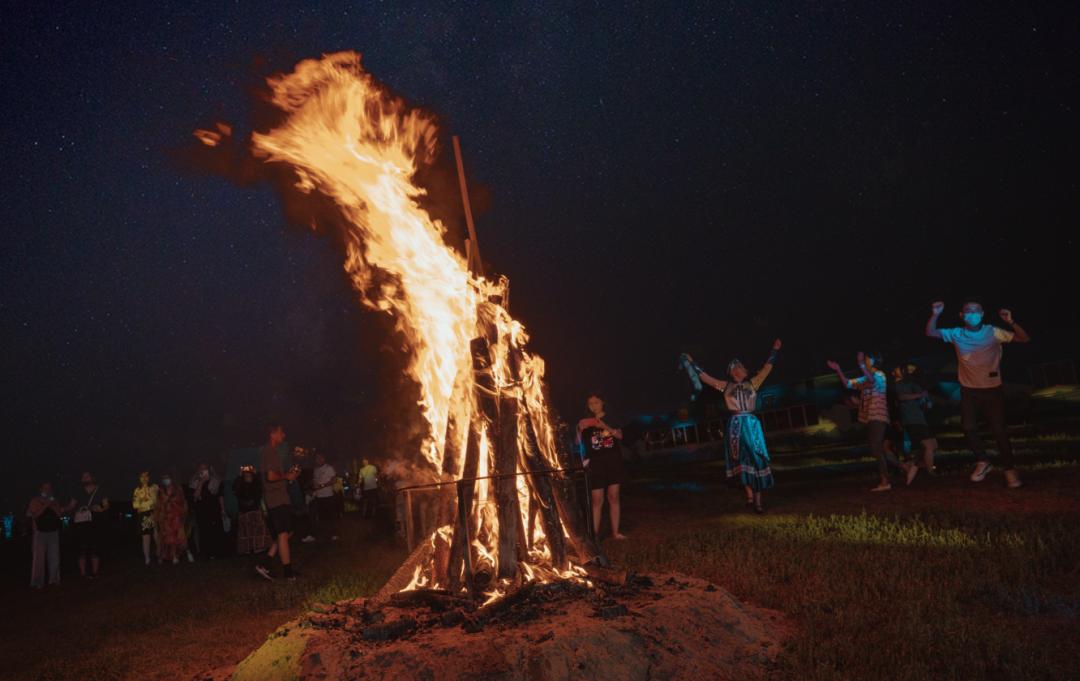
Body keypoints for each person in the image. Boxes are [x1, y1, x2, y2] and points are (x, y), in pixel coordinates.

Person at [926, 300, 1030, 488]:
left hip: (992, 390)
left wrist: (1011, 322)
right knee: (968, 428)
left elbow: (1024, 339)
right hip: (969, 390)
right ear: (961, 315)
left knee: (999, 431)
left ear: (982, 313)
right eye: (968, 311)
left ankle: (1010, 470)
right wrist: (935, 314)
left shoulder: (993, 332)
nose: (972, 313)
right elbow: (930, 332)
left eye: (975, 311)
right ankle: (983, 461)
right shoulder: (957, 333)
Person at [686, 339, 782, 513]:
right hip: (736, 426)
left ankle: (758, 503)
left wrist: (774, 351)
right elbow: (706, 378)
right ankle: (750, 497)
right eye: (738, 367)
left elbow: (767, 369)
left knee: (757, 458)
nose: (742, 368)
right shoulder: (726, 386)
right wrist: (692, 363)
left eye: (742, 366)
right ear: (733, 371)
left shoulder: (753, 383)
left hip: (751, 425)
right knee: (741, 458)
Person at [827, 352, 903, 492]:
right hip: (871, 418)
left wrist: (861, 364)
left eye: (868, 358)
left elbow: (872, 381)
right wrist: (838, 369)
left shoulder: (879, 375)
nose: (865, 360)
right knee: (878, 449)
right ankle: (902, 467)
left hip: (878, 416)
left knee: (876, 447)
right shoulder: (865, 378)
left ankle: (886, 480)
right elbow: (848, 383)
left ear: (874, 361)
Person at [576, 393, 627, 540]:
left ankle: (616, 532)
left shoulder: (611, 417)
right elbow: (578, 443)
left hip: (613, 460)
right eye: (590, 403)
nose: (593, 406)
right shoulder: (586, 421)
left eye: (596, 402)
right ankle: (594, 535)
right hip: (595, 462)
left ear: (603, 402)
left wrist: (604, 426)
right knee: (597, 499)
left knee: (613, 496)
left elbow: (620, 436)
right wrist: (579, 429)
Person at [257, 422, 301, 580]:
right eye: (281, 432)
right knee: (283, 533)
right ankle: (288, 573)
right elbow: (270, 477)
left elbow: (275, 476)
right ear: (273, 434)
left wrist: (289, 476)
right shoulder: (268, 451)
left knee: (287, 532)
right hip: (275, 499)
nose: (284, 435)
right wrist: (286, 476)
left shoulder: (273, 452)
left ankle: (265, 563)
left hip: (281, 497)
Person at [892, 363, 938, 484]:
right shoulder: (900, 384)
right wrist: (920, 395)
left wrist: (926, 402)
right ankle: (930, 473)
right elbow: (901, 397)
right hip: (912, 419)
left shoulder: (914, 384)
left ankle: (913, 468)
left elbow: (925, 403)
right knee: (929, 446)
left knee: (931, 445)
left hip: (918, 419)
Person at [70, 472, 109, 579]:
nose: (85, 478)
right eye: (83, 477)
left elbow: (106, 505)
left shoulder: (100, 490)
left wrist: (101, 509)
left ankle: (95, 573)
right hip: (81, 523)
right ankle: (83, 573)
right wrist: (63, 509)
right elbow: (71, 505)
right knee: (82, 548)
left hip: (95, 522)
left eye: (87, 476)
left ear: (92, 478)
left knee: (94, 548)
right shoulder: (78, 491)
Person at [27, 482, 64, 589]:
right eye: (45, 488)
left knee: (54, 556)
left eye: (49, 488)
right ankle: (37, 582)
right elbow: (35, 515)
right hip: (39, 532)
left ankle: (54, 579)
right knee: (38, 558)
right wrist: (45, 505)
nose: (47, 490)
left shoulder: (54, 501)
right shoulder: (34, 501)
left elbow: (59, 514)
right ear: (40, 489)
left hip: (53, 531)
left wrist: (52, 505)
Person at [155, 472, 194, 564]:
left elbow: (182, 502)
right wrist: (159, 515)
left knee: (180, 537)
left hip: (176, 516)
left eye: (167, 477)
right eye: (163, 478)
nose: (165, 480)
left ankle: (187, 553)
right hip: (166, 518)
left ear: (171, 478)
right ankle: (171, 556)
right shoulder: (160, 490)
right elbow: (158, 504)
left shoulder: (177, 489)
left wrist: (170, 501)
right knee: (168, 538)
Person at [190, 463, 226, 558]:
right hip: (202, 510)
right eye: (201, 468)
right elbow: (195, 496)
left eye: (205, 468)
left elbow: (220, 495)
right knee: (204, 531)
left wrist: (223, 509)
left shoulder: (216, 480)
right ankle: (206, 554)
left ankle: (218, 553)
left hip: (214, 509)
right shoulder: (195, 481)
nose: (203, 470)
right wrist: (201, 482)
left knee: (216, 531)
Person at [233, 465, 272, 555]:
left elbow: (260, 489)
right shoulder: (240, 484)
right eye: (245, 475)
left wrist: (256, 473)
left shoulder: (256, 484)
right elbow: (235, 489)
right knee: (246, 531)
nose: (248, 477)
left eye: (249, 475)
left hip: (255, 510)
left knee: (258, 530)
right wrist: (239, 476)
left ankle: (259, 547)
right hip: (244, 512)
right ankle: (247, 548)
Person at [304, 452, 339, 542]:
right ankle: (313, 535)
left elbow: (334, 480)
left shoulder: (329, 468)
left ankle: (333, 534)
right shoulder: (315, 469)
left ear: (324, 459)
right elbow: (315, 481)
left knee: (330, 517)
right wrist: (312, 488)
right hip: (318, 497)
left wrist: (322, 485)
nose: (318, 459)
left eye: (320, 458)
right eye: (317, 458)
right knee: (315, 515)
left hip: (328, 496)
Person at [131, 471, 159, 565]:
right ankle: (147, 558)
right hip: (143, 514)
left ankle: (160, 554)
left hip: (154, 512)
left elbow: (157, 499)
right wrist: (145, 504)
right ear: (139, 478)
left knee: (156, 534)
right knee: (145, 537)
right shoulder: (137, 490)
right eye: (142, 476)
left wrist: (145, 503)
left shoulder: (154, 487)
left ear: (149, 477)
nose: (144, 478)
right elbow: (135, 505)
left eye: (146, 476)